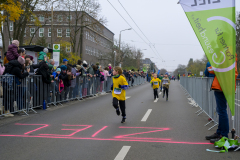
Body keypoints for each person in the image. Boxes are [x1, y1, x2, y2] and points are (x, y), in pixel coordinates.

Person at [205, 57, 238, 143]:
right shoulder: (231, 56)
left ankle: (223, 135)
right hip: (225, 85)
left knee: (222, 111)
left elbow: (212, 69)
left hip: (221, 86)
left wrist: (209, 66)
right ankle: (220, 132)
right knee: (221, 110)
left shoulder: (223, 56)